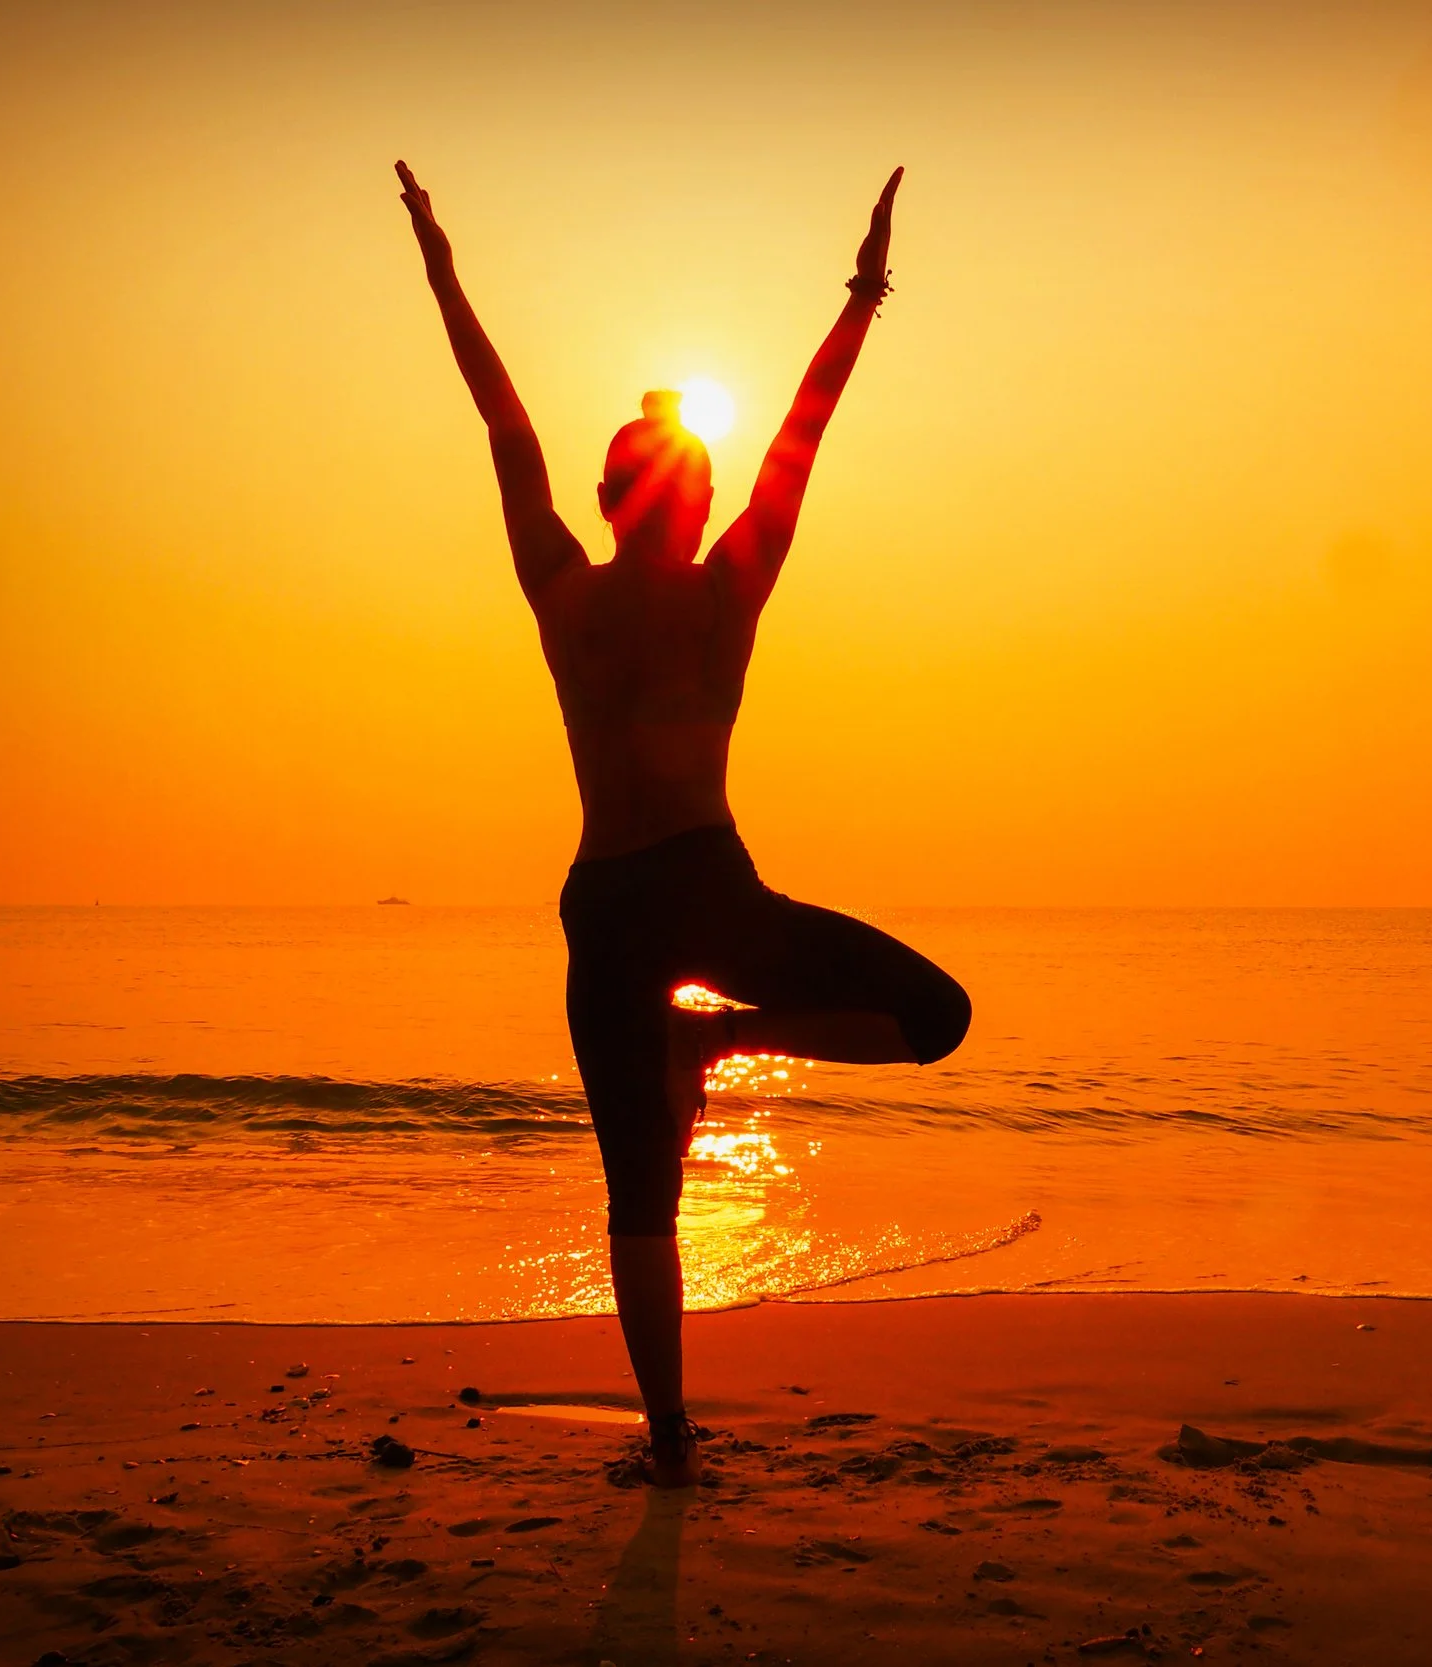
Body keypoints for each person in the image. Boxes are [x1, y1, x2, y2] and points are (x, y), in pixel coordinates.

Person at [396, 160, 970, 1486]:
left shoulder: (584, 591)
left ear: (617, 500)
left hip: (634, 897)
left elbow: (512, 429)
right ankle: (669, 1429)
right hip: (683, 895)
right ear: (679, 499)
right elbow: (790, 439)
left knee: (663, 1181)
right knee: (665, 1175)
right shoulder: (699, 592)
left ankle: (720, 1051)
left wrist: (441, 270)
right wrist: (864, 289)